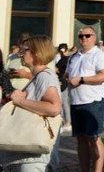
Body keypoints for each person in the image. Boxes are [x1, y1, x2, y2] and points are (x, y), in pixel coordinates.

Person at [0, 35, 62, 171]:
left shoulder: (45, 76)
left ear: (36, 53)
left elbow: (54, 107)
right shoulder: (38, 77)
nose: (20, 54)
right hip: (28, 153)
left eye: (24, 50)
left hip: (34, 157)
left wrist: (21, 100)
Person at [65, 27, 104, 172]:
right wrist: (65, 79)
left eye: (87, 36)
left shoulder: (99, 55)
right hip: (75, 101)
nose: (84, 38)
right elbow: (67, 74)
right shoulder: (74, 56)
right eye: (81, 36)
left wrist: (81, 79)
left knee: (94, 138)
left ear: (94, 37)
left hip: (93, 101)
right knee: (81, 138)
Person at [55, 43, 72, 133]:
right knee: (63, 103)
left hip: (63, 83)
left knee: (64, 103)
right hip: (62, 82)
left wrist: (57, 70)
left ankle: (67, 123)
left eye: (63, 51)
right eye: (61, 51)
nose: (62, 53)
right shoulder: (64, 59)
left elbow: (63, 71)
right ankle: (65, 122)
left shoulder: (66, 59)